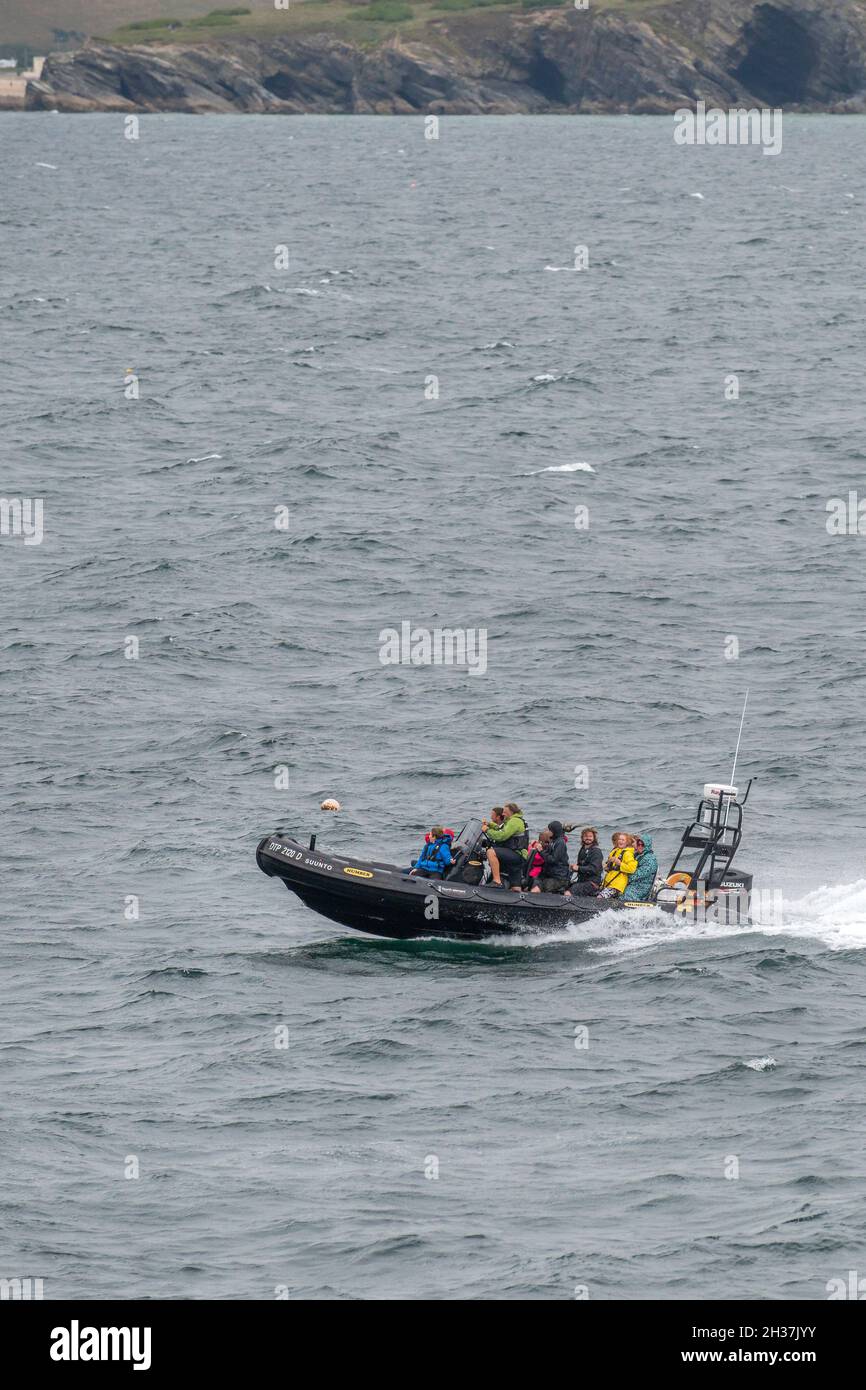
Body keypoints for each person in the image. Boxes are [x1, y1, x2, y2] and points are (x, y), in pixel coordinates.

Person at [483, 801, 529, 889]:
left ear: (511, 812)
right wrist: (490, 824)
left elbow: (502, 835)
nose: (503, 814)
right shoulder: (513, 821)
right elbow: (500, 828)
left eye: (504, 812)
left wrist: (487, 831)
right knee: (516, 888)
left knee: (490, 852)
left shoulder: (514, 821)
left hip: (516, 854)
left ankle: (497, 881)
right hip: (517, 855)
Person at [533, 819, 572, 894]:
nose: (548, 831)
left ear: (554, 831)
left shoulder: (560, 842)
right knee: (535, 882)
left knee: (543, 886)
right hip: (549, 875)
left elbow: (553, 860)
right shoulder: (553, 841)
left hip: (559, 877)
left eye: (549, 830)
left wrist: (541, 851)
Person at [598, 831, 638, 898]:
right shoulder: (614, 851)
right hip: (608, 881)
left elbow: (632, 869)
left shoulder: (628, 853)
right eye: (619, 839)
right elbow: (609, 868)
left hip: (618, 885)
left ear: (627, 842)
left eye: (623, 840)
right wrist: (606, 866)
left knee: (600, 897)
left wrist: (619, 863)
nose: (620, 841)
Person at [570, 826, 604, 897]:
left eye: (590, 836)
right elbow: (580, 865)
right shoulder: (582, 849)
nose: (588, 838)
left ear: (594, 838)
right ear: (582, 838)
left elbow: (594, 869)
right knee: (565, 886)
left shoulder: (596, 851)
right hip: (582, 881)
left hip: (592, 884)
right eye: (585, 836)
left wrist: (578, 868)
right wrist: (572, 868)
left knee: (569, 892)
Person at [622, 834, 658, 902]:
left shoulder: (650, 859)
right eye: (639, 844)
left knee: (626, 894)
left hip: (642, 887)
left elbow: (637, 875)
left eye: (643, 845)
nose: (640, 846)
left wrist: (622, 876)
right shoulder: (638, 855)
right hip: (634, 883)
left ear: (647, 845)